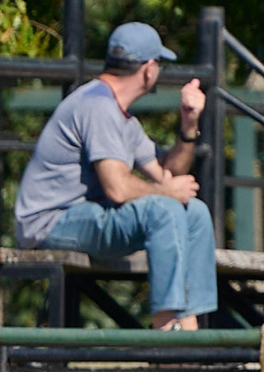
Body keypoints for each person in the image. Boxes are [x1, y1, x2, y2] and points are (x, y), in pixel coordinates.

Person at [14, 22, 215, 330]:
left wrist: (189, 124)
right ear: (148, 70)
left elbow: (168, 174)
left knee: (195, 212)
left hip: (91, 215)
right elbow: (118, 188)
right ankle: (166, 335)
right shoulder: (98, 105)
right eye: (159, 65)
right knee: (163, 209)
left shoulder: (121, 116)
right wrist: (167, 192)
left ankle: (190, 330)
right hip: (50, 222)